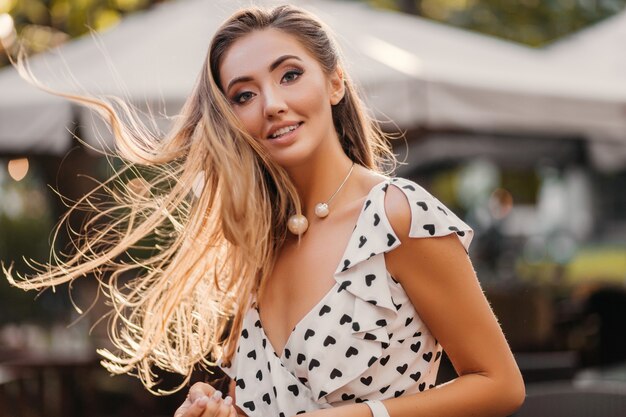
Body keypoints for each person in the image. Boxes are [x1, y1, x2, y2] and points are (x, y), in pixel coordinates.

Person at [4, 4, 525, 417]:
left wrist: (368, 416)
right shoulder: (257, 239)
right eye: (243, 94)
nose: (271, 103)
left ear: (335, 83)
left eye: (290, 75)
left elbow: (500, 385)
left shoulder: (396, 216)